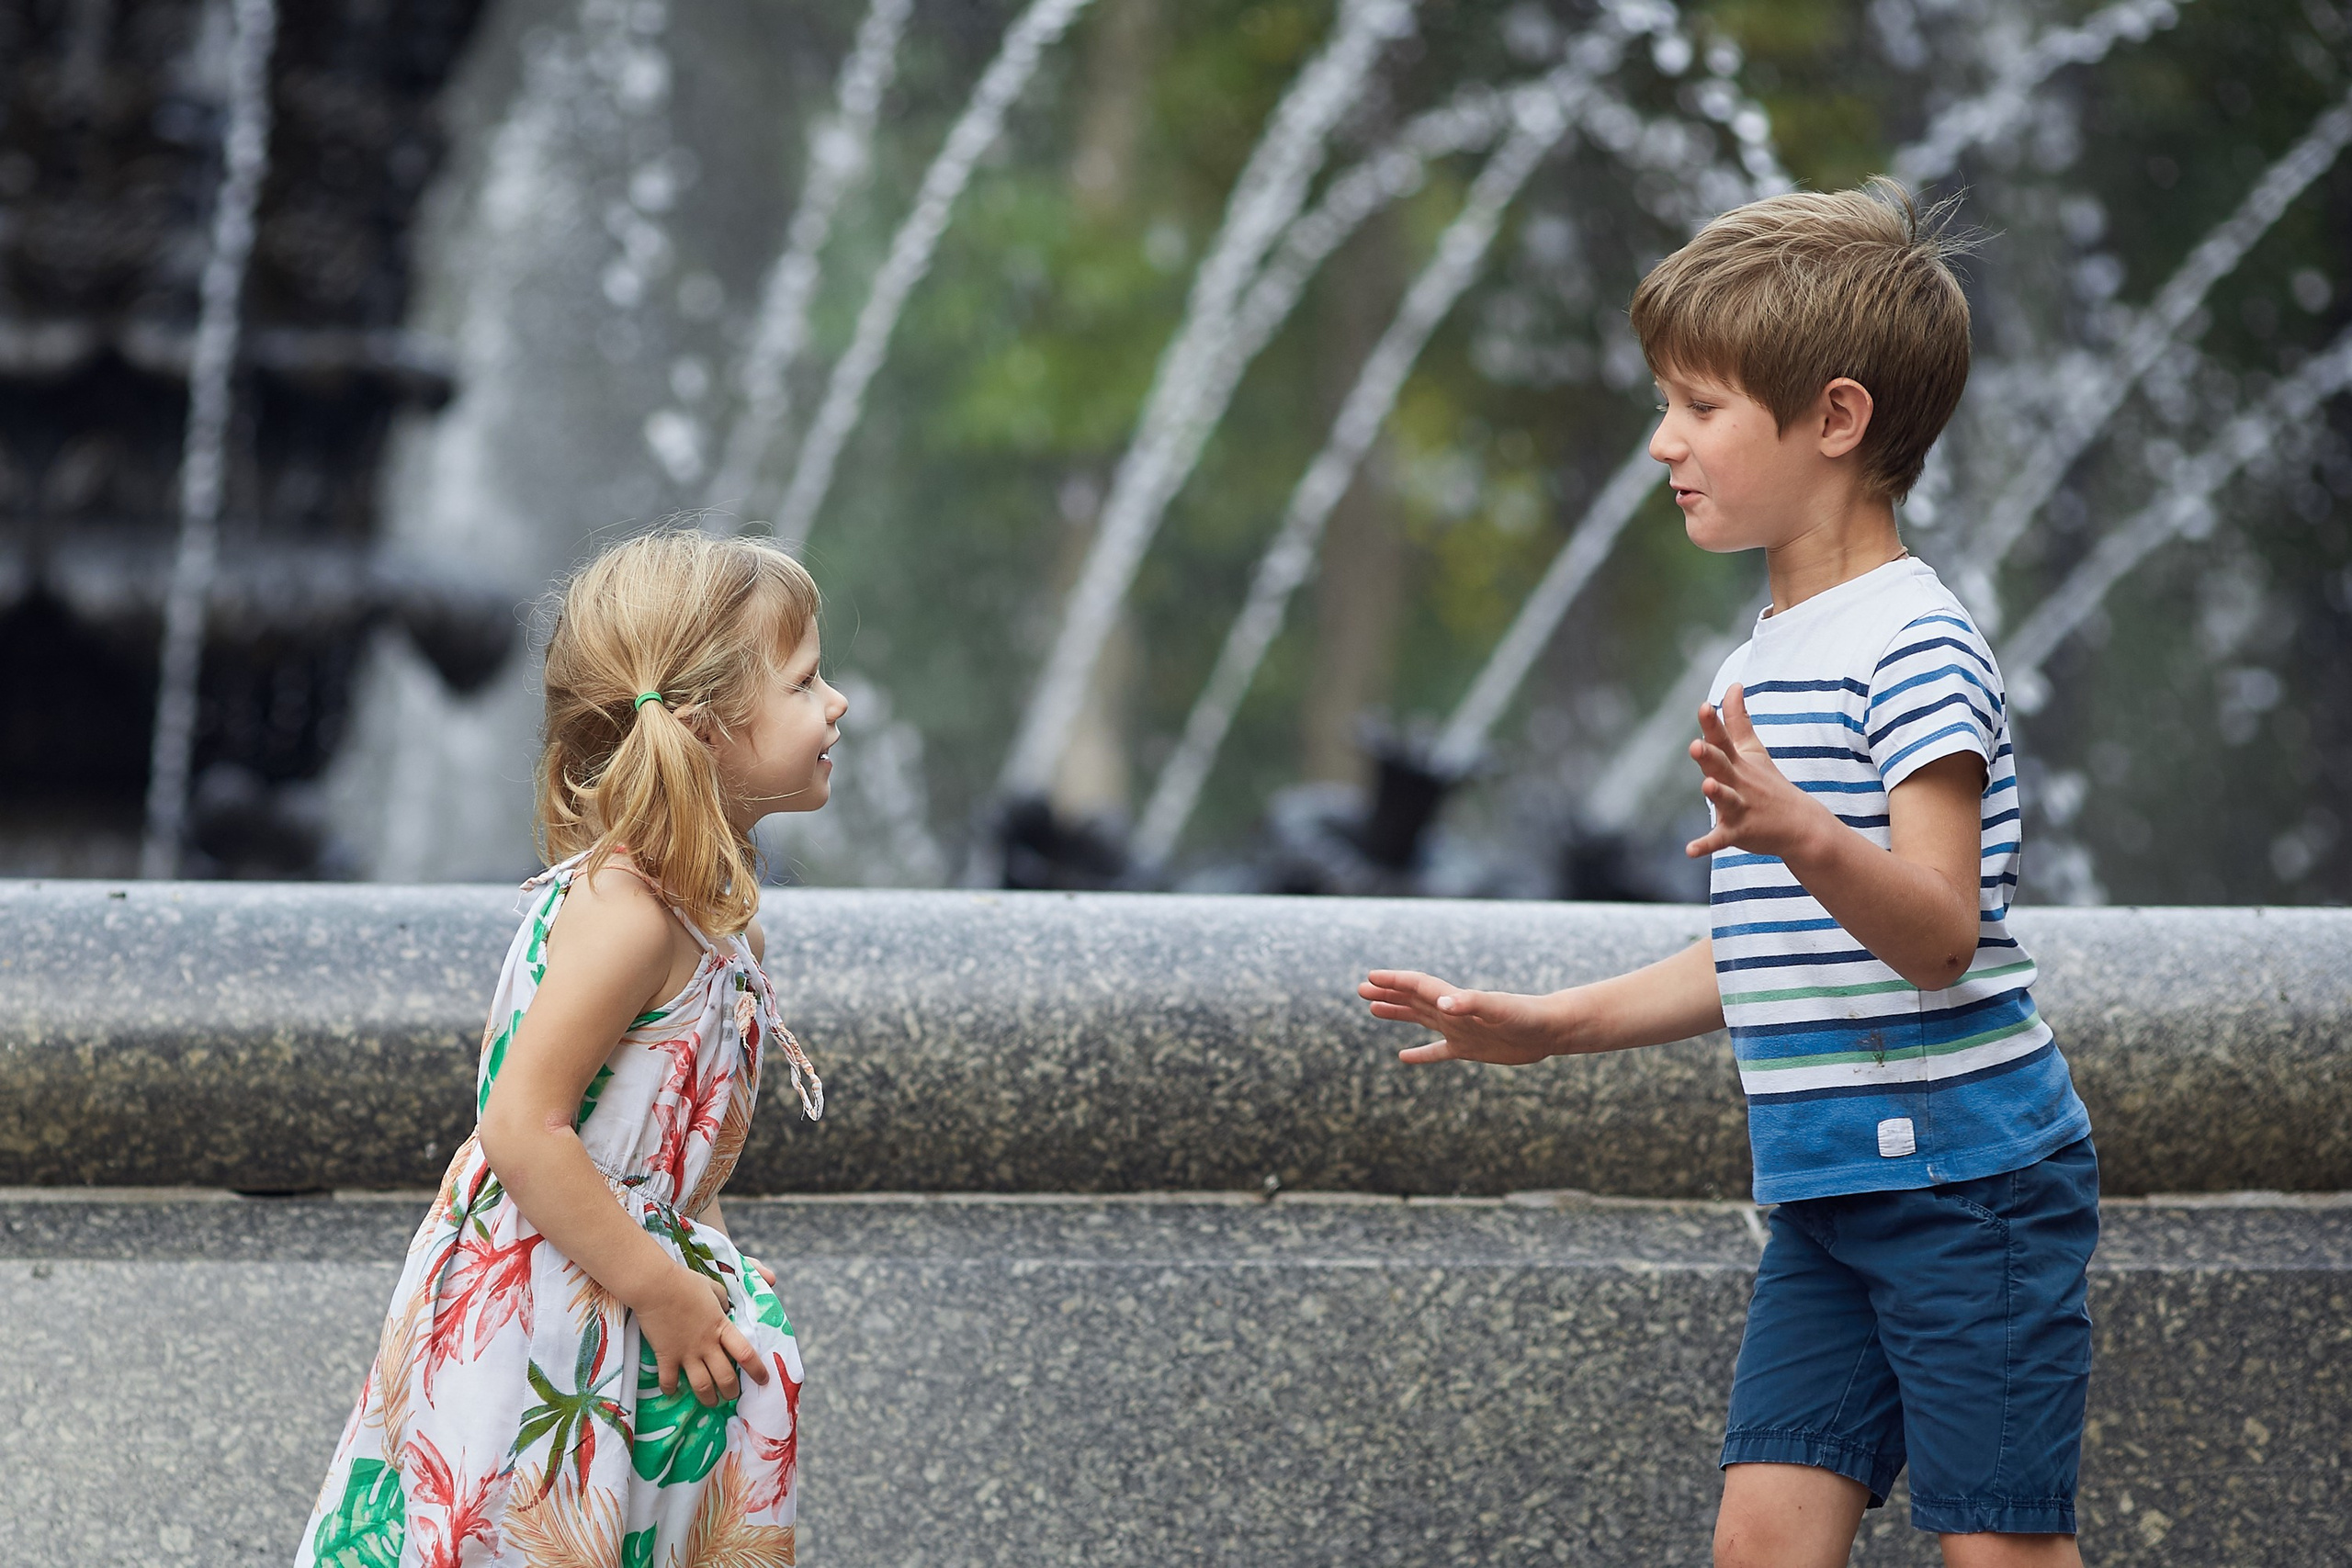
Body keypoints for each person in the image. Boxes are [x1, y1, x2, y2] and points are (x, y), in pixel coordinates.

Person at [1361, 180, 2097, 1568]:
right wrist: (1550, 1022)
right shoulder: (1761, 656)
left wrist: (1806, 827)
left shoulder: (1916, 646)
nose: (1662, 443)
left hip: (1969, 1180)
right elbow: (1776, 949)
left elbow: (1938, 933)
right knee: (1761, 1539)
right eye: (1665, 402)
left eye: (1699, 406)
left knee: (2000, 1547)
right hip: (1832, 1192)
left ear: (1834, 418)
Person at [298, 529, 846, 1566]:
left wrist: (714, 1278)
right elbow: (519, 1122)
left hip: (629, 1305)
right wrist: (661, 1286)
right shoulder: (626, 913)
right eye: (806, 681)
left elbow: (678, 1153)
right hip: (547, 1321)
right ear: (706, 729)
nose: (838, 704)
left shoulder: (716, 924)